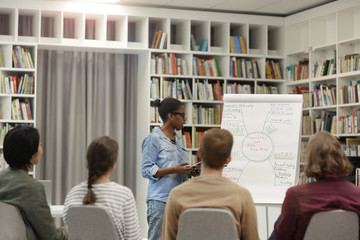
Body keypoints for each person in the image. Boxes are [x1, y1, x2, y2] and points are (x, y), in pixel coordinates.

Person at [162, 128, 260, 240]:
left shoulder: (176, 195)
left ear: (199, 153)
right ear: (228, 159)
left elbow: (168, 238)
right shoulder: (242, 196)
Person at [272, 131, 360, 240]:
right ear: (341, 157)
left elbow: (282, 237)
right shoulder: (357, 194)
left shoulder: (296, 196)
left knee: (280, 221)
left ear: (310, 159)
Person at [63, 136, 141, 240]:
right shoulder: (124, 195)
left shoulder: (72, 194)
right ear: (113, 163)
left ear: (89, 162)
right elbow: (134, 238)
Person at [0, 125, 68, 240]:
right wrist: (70, 229)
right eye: (39, 145)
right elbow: (52, 237)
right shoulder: (32, 187)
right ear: (30, 153)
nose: (41, 150)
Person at [141, 97, 193, 240]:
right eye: (182, 115)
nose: (185, 119)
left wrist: (191, 171)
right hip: (160, 201)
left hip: (179, 200)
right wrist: (174, 170)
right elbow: (146, 170)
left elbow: (180, 167)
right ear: (171, 116)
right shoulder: (153, 139)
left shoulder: (180, 140)